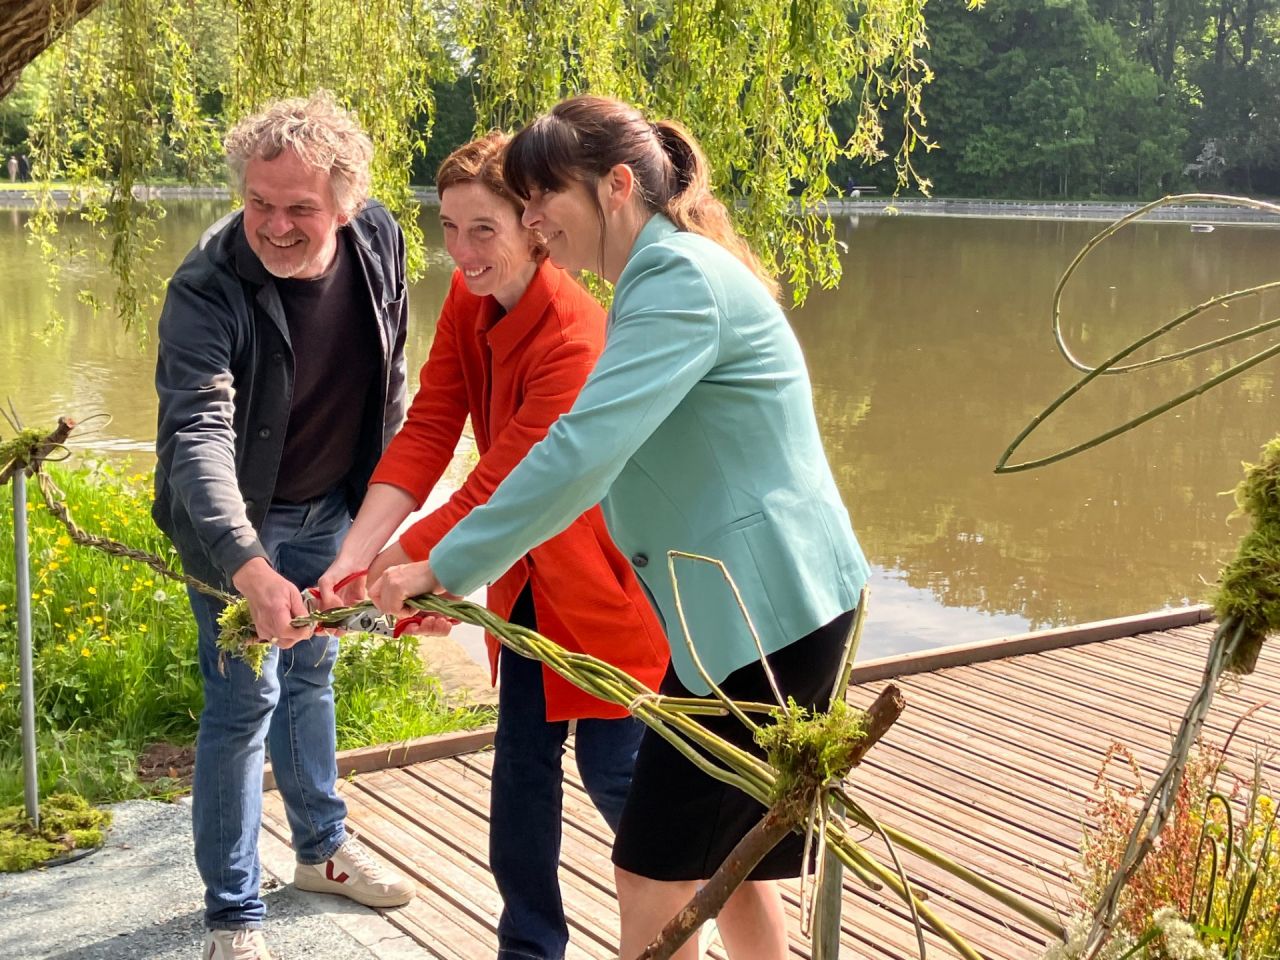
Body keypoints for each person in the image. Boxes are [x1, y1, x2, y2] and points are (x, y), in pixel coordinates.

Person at [368, 96, 871, 960]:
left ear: (617, 187)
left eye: (541, 204)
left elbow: (581, 452)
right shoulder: (666, 274)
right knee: (739, 865)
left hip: (765, 618)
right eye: (519, 207)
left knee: (652, 874)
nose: (532, 224)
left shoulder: (676, 283)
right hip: (765, 608)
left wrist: (444, 566)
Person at [317, 131, 669, 960]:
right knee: (519, 782)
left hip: (605, 592)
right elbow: (431, 428)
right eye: (449, 228)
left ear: (536, 226)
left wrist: (397, 567)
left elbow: (499, 489)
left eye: (485, 230)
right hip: (524, 588)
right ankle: (529, 949)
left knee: (621, 778)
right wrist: (357, 549)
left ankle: (720, 889)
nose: (463, 253)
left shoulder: (575, 337)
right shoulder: (474, 306)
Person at [152, 91, 415, 960]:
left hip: (335, 509)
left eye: (300, 207)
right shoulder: (205, 287)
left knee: (311, 677)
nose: (275, 225)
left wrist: (378, 525)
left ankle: (321, 852)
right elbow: (198, 435)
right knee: (243, 701)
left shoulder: (378, 238)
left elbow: (395, 376)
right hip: (238, 530)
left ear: (345, 201)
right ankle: (233, 911)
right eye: (259, 203)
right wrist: (247, 565)